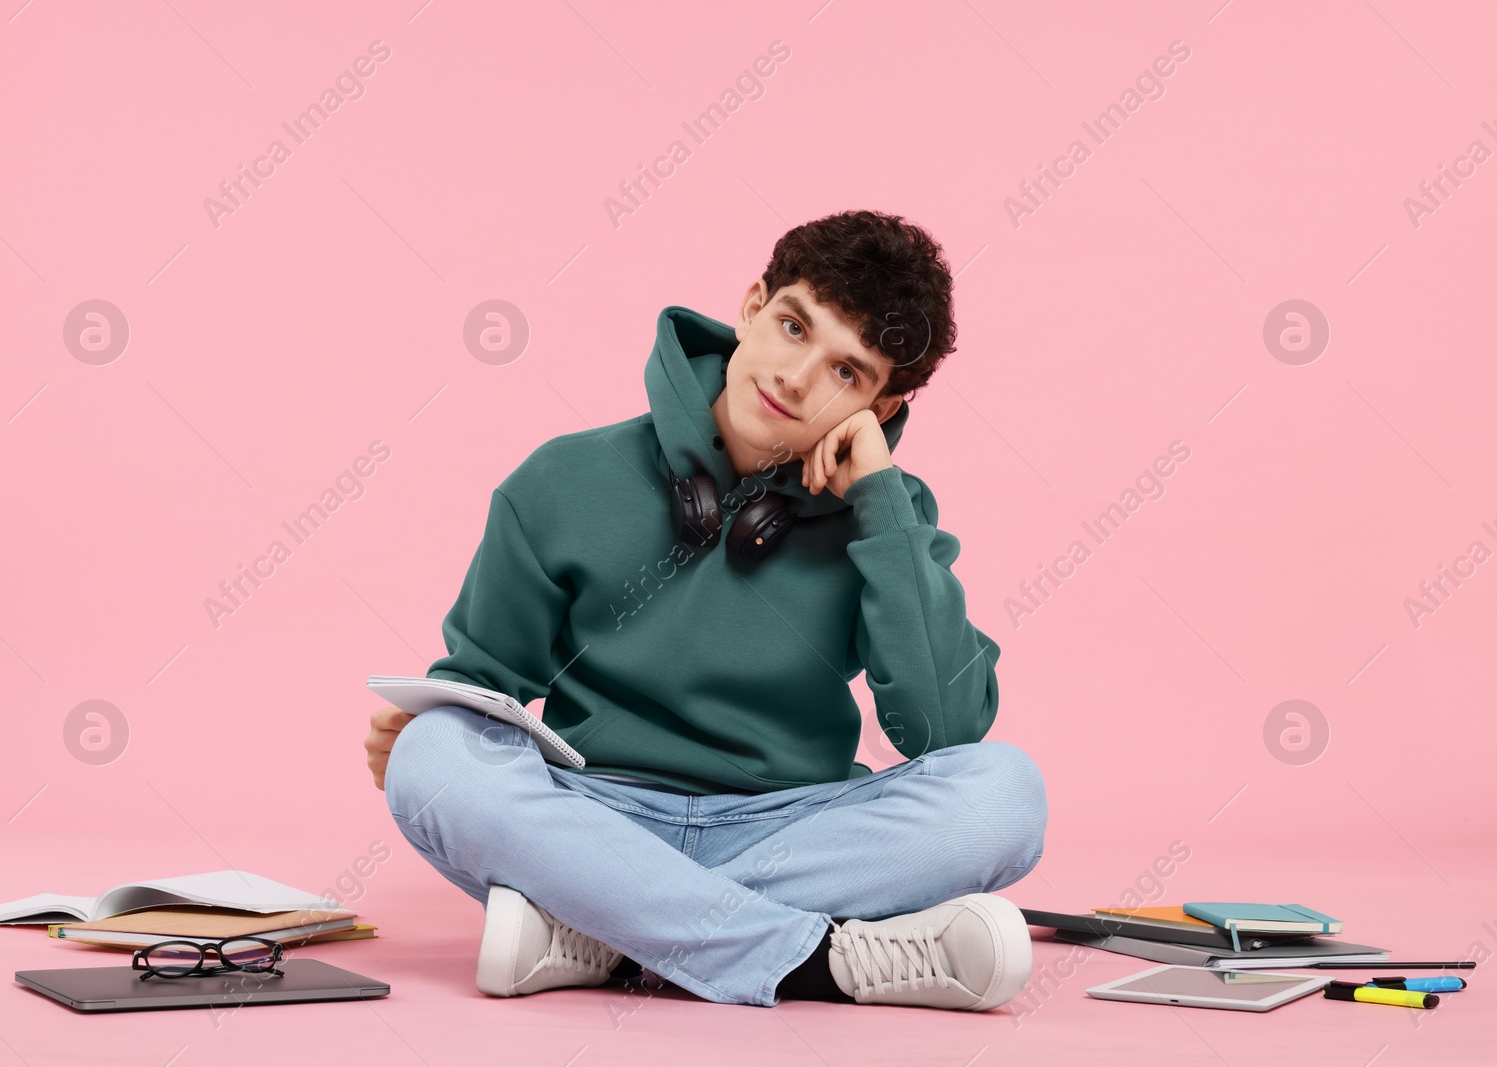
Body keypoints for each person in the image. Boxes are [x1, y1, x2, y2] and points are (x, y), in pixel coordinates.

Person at [364, 210, 1047, 1011]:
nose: (797, 378)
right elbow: (481, 685)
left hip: (790, 828)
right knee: (434, 758)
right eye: (794, 327)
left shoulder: (890, 515)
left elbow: (945, 729)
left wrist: (882, 506)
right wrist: (425, 734)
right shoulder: (561, 479)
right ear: (752, 307)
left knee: (1006, 791)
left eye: (847, 373)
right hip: (595, 812)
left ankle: (604, 932)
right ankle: (815, 961)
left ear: (883, 406)